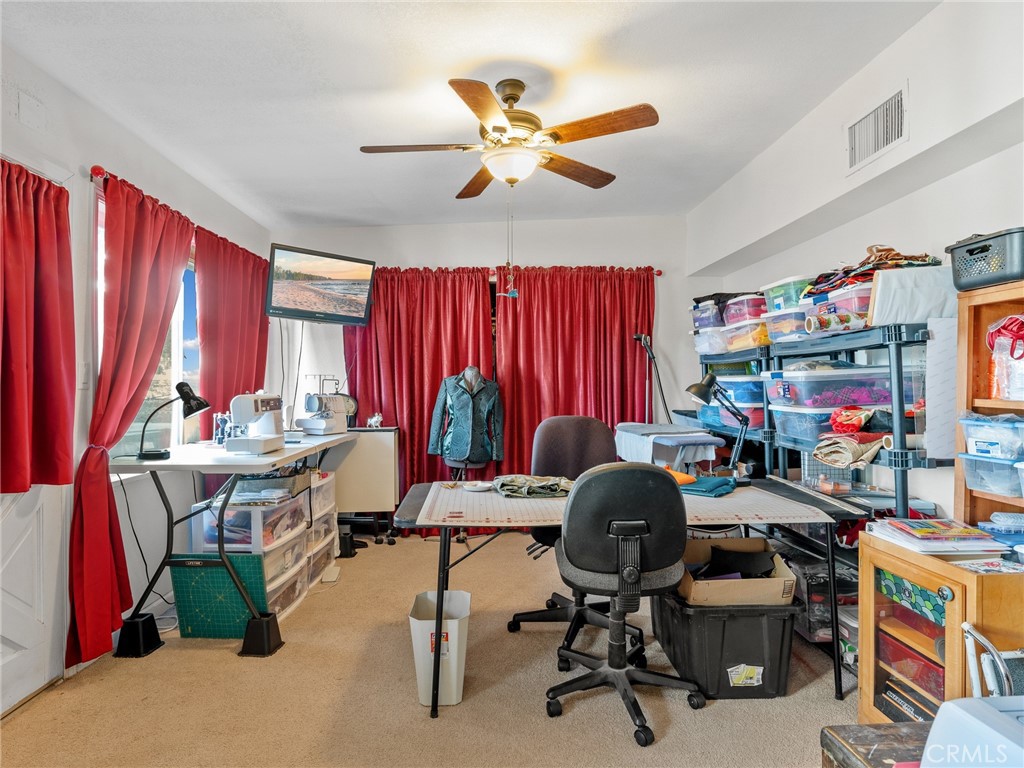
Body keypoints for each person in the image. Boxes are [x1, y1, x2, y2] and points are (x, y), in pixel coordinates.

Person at [427, 366, 504, 464]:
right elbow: (438, 414)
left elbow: (497, 420)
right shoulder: (449, 384)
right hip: (452, 449)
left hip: (480, 450)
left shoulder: (492, 388)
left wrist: (498, 452)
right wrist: (434, 447)